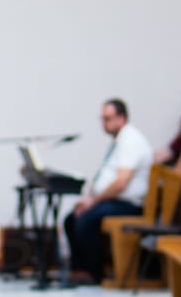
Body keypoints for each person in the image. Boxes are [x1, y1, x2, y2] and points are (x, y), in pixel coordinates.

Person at [65, 97, 152, 283]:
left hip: (129, 205)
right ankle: (80, 269)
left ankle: (95, 272)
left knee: (86, 220)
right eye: (102, 119)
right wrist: (88, 198)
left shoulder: (130, 140)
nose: (103, 123)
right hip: (112, 200)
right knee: (71, 219)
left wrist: (93, 202)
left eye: (108, 119)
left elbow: (121, 183)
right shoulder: (118, 140)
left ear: (121, 118)